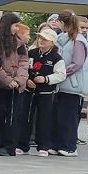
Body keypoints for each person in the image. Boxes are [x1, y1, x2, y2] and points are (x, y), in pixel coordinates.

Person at [0, 12, 30, 157]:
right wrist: (7, 80)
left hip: (16, 86)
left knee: (13, 116)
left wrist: (19, 80)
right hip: (0, 84)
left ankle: (9, 146)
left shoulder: (19, 44)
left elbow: (24, 63)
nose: (16, 29)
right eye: (15, 25)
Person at [53, 11, 88, 156]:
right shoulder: (66, 39)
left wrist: (61, 72)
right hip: (63, 84)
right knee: (60, 116)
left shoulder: (78, 41)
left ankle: (69, 146)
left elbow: (78, 63)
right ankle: (59, 143)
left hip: (73, 85)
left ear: (63, 23)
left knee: (69, 117)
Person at [27, 26, 67, 157]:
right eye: (40, 38)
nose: (41, 41)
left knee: (44, 119)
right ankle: (22, 144)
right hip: (30, 91)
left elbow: (61, 75)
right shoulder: (31, 53)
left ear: (52, 42)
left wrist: (45, 79)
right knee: (26, 117)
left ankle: (43, 146)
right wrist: (27, 79)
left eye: (45, 39)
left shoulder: (56, 57)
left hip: (46, 93)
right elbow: (25, 67)